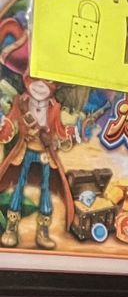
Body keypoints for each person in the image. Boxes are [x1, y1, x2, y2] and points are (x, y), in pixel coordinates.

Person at [0, 21, 75, 250]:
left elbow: (59, 130)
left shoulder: (54, 107)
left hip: (45, 153)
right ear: (25, 78)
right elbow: (10, 124)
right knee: (18, 185)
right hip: (24, 150)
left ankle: (43, 231)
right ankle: (11, 227)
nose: (41, 85)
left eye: (48, 80)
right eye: (35, 77)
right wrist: (4, 130)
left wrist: (67, 135)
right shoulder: (20, 103)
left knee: (46, 190)